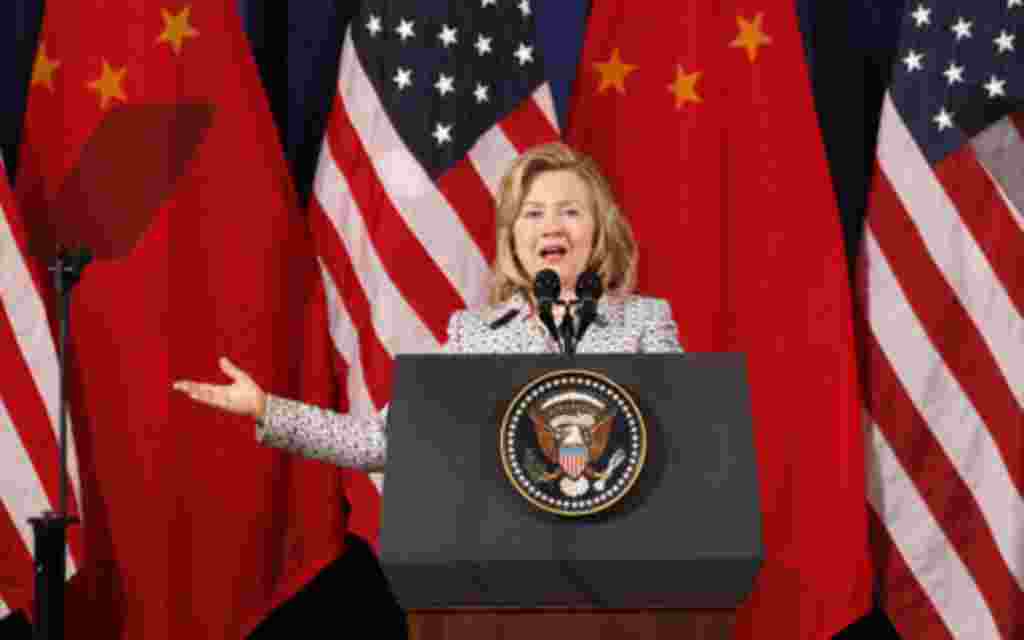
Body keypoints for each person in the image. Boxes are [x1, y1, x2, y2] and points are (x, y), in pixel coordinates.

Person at [173, 141, 682, 470]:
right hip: (503, 586)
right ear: (513, 238)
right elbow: (384, 441)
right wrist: (268, 409)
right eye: (533, 213)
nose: (552, 226)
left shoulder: (645, 321)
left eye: (570, 211)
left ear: (596, 232)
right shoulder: (474, 336)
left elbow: (684, 437)